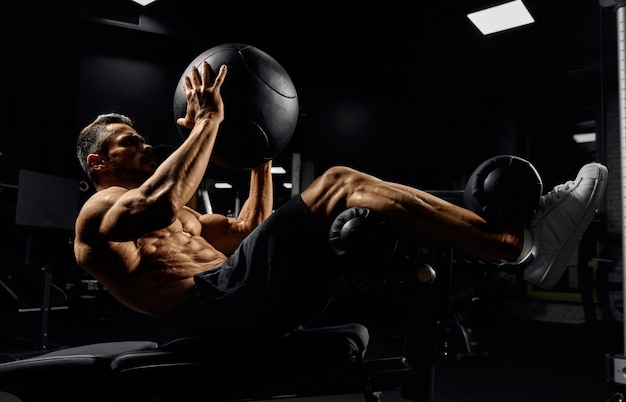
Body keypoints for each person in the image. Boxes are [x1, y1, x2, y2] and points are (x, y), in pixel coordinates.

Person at [74, 61, 608, 339]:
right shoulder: (97, 215)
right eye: (128, 142)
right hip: (216, 308)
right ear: (99, 163)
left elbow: (248, 233)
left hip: (250, 292)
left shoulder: (185, 214)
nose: (143, 143)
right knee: (339, 182)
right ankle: (518, 245)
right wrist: (209, 122)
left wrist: (260, 157)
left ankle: (519, 240)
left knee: (365, 194)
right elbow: (157, 206)